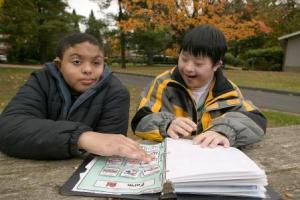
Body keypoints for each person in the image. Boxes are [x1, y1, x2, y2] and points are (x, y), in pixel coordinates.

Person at [0, 33, 152, 161]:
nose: (87, 70)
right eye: (77, 62)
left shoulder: (116, 92)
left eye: (96, 62)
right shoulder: (41, 81)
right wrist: (81, 138)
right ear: (59, 65)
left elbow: (109, 147)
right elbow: (9, 128)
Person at [131, 24, 267, 148]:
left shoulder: (228, 91)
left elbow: (256, 120)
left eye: (198, 63)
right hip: (171, 161)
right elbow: (140, 120)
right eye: (184, 59)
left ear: (216, 65)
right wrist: (166, 125)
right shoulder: (163, 84)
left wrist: (224, 131)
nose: (188, 68)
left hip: (212, 164)